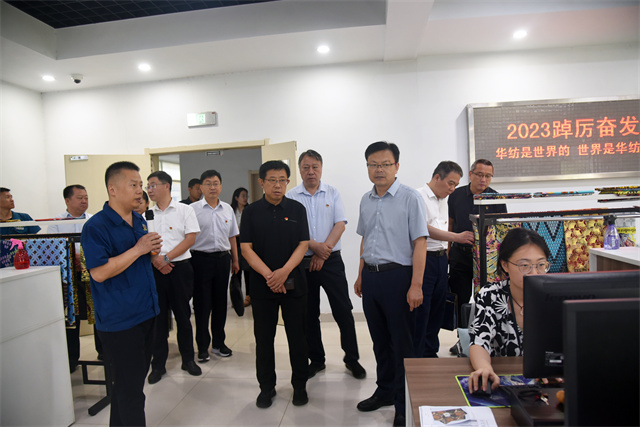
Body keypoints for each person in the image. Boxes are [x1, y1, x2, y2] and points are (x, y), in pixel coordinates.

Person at [81, 161, 161, 426]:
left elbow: (137, 261)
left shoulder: (139, 220)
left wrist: (152, 254)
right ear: (112, 189)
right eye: (133, 185)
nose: (140, 190)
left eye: (141, 185)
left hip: (146, 311)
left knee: (129, 386)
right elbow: (99, 273)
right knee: (131, 393)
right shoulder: (96, 226)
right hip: (120, 320)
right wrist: (138, 249)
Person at [354, 141, 428, 427]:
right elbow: (366, 238)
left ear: (396, 166)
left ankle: (403, 401)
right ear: (367, 167)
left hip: (399, 278)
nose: (379, 169)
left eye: (385, 164)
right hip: (372, 278)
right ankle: (384, 390)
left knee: (402, 344)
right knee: (380, 341)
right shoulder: (366, 199)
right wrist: (361, 274)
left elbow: (420, 242)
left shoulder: (410, 198)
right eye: (373, 164)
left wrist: (416, 285)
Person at [286, 150, 365, 380]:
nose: (311, 171)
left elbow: (340, 224)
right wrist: (315, 247)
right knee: (308, 314)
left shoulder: (333, 192)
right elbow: (292, 230)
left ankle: (352, 359)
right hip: (303, 263)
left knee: (343, 310)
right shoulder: (292, 196)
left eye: (315, 167)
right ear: (300, 170)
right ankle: (317, 360)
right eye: (306, 167)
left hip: (331, 261)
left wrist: (323, 253)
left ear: (321, 168)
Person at [240, 160, 310, 409]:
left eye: (282, 180)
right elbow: (246, 248)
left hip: (293, 284)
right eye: (272, 180)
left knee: (298, 338)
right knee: (264, 339)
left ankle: (300, 385)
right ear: (261, 182)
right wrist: (271, 275)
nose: (278, 185)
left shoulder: (297, 209)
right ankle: (266, 387)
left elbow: (303, 244)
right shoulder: (251, 212)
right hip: (262, 285)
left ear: (288, 182)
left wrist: (284, 272)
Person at [468, 227, 550, 394]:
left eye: (541, 265)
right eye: (524, 266)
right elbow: (479, 341)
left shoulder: (554, 296)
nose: (534, 273)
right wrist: (484, 368)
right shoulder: (490, 296)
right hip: (503, 383)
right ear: (505, 265)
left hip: (545, 384)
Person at [145, 171, 202, 384]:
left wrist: (167, 258)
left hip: (180, 269)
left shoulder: (185, 210)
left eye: (153, 185)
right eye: (148, 186)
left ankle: (188, 360)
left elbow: (190, 239)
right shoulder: (145, 215)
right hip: (155, 270)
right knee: (158, 320)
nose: (149, 190)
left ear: (166, 186)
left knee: (183, 316)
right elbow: (143, 242)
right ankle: (158, 365)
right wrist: (156, 260)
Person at [414, 161, 474, 358]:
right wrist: (456, 237)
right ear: (437, 177)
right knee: (422, 308)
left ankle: (430, 351)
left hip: (440, 260)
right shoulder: (418, 197)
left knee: (438, 307)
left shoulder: (443, 200)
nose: (452, 188)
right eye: (450, 183)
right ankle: (418, 353)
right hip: (425, 258)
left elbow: (443, 227)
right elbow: (423, 228)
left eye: (456, 185)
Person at [448, 159, 507, 342]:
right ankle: (463, 340)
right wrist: (448, 251)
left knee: (485, 298)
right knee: (461, 299)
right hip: (460, 254)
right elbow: (450, 224)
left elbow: (501, 231)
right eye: (480, 174)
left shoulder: (496, 198)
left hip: (487, 259)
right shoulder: (456, 195)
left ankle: (485, 338)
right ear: (471, 174)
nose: (483, 179)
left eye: (488, 176)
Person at [48, 184, 101, 371]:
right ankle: (71, 360)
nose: (84, 201)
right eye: (80, 198)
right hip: (68, 278)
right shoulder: (56, 223)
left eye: (86, 197)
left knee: (98, 313)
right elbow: (52, 249)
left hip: (93, 274)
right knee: (71, 317)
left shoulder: (94, 220)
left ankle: (103, 352)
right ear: (67, 200)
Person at [190, 170, 239, 361]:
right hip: (199, 260)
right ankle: (203, 346)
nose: (212, 187)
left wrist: (235, 260)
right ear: (201, 187)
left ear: (221, 186)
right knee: (202, 305)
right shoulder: (192, 209)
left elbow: (232, 236)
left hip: (222, 260)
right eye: (208, 183)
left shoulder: (227, 209)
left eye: (216, 183)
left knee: (220, 303)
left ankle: (219, 343)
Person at [231, 187, 252, 307]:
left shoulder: (249, 210)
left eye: (246, 196)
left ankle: (249, 296)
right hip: (234, 244)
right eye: (243, 196)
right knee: (236, 271)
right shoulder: (231, 210)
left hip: (247, 243)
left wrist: (238, 230)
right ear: (236, 197)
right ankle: (237, 298)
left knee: (247, 270)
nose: (245, 198)